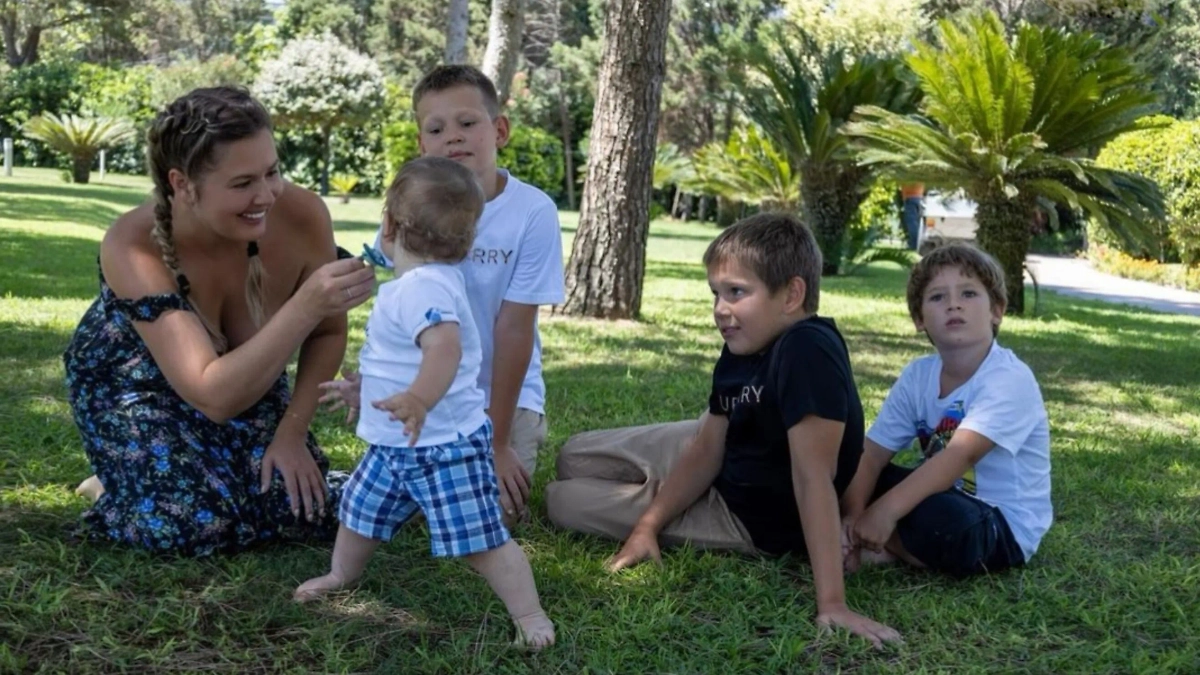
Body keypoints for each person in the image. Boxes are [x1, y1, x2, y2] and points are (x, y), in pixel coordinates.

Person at [544, 213, 901, 648]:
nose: (720, 310)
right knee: (572, 456)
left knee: (561, 500)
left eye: (736, 292)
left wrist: (833, 604)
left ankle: (651, 492)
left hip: (745, 516)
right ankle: (652, 492)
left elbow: (813, 479)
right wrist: (647, 526)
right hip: (730, 452)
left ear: (791, 294)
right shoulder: (745, 339)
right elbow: (708, 445)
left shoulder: (809, 350)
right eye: (716, 293)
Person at [63, 86, 376, 556]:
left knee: (305, 510)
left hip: (247, 375)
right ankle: (111, 486)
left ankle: (179, 480)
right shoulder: (132, 244)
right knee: (188, 526)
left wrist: (291, 434)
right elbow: (213, 397)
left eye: (272, 172)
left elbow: (328, 332)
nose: (266, 194)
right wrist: (305, 305)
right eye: (242, 183)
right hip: (136, 387)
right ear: (182, 184)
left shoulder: (303, 213)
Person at [294, 157, 555, 650]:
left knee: (482, 541)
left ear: (388, 225)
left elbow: (445, 349)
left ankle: (530, 614)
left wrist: (418, 399)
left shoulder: (422, 287)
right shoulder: (421, 284)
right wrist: (362, 391)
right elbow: (402, 357)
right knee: (360, 513)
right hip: (394, 446)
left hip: (442, 450)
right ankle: (339, 575)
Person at [323, 65, 564, 526]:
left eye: (467, 123)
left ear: (500, 130)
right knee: (379, 514)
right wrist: (376, 382)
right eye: (436, 128)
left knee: (486, 519)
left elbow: (514, 329)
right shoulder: (407, 206)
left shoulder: (532, 211)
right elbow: (402, 311)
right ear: (422, 144)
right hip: (424, 394)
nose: (453, 137)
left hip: (501, 402)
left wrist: (497, 443)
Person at [840, 242, 1052, 578]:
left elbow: (959, 457)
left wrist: (884, 511)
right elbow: (873, 453)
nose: (953, 304)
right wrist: (855, 515)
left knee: (949, 525)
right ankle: (863, 536)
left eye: (968, 294)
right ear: (919, 319)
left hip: (996, 524)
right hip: (934, 495)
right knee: (845, 466)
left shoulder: (1009, 378)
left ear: (997, 310)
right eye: (937, 297)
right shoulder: (918, 376)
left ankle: (881, 543)